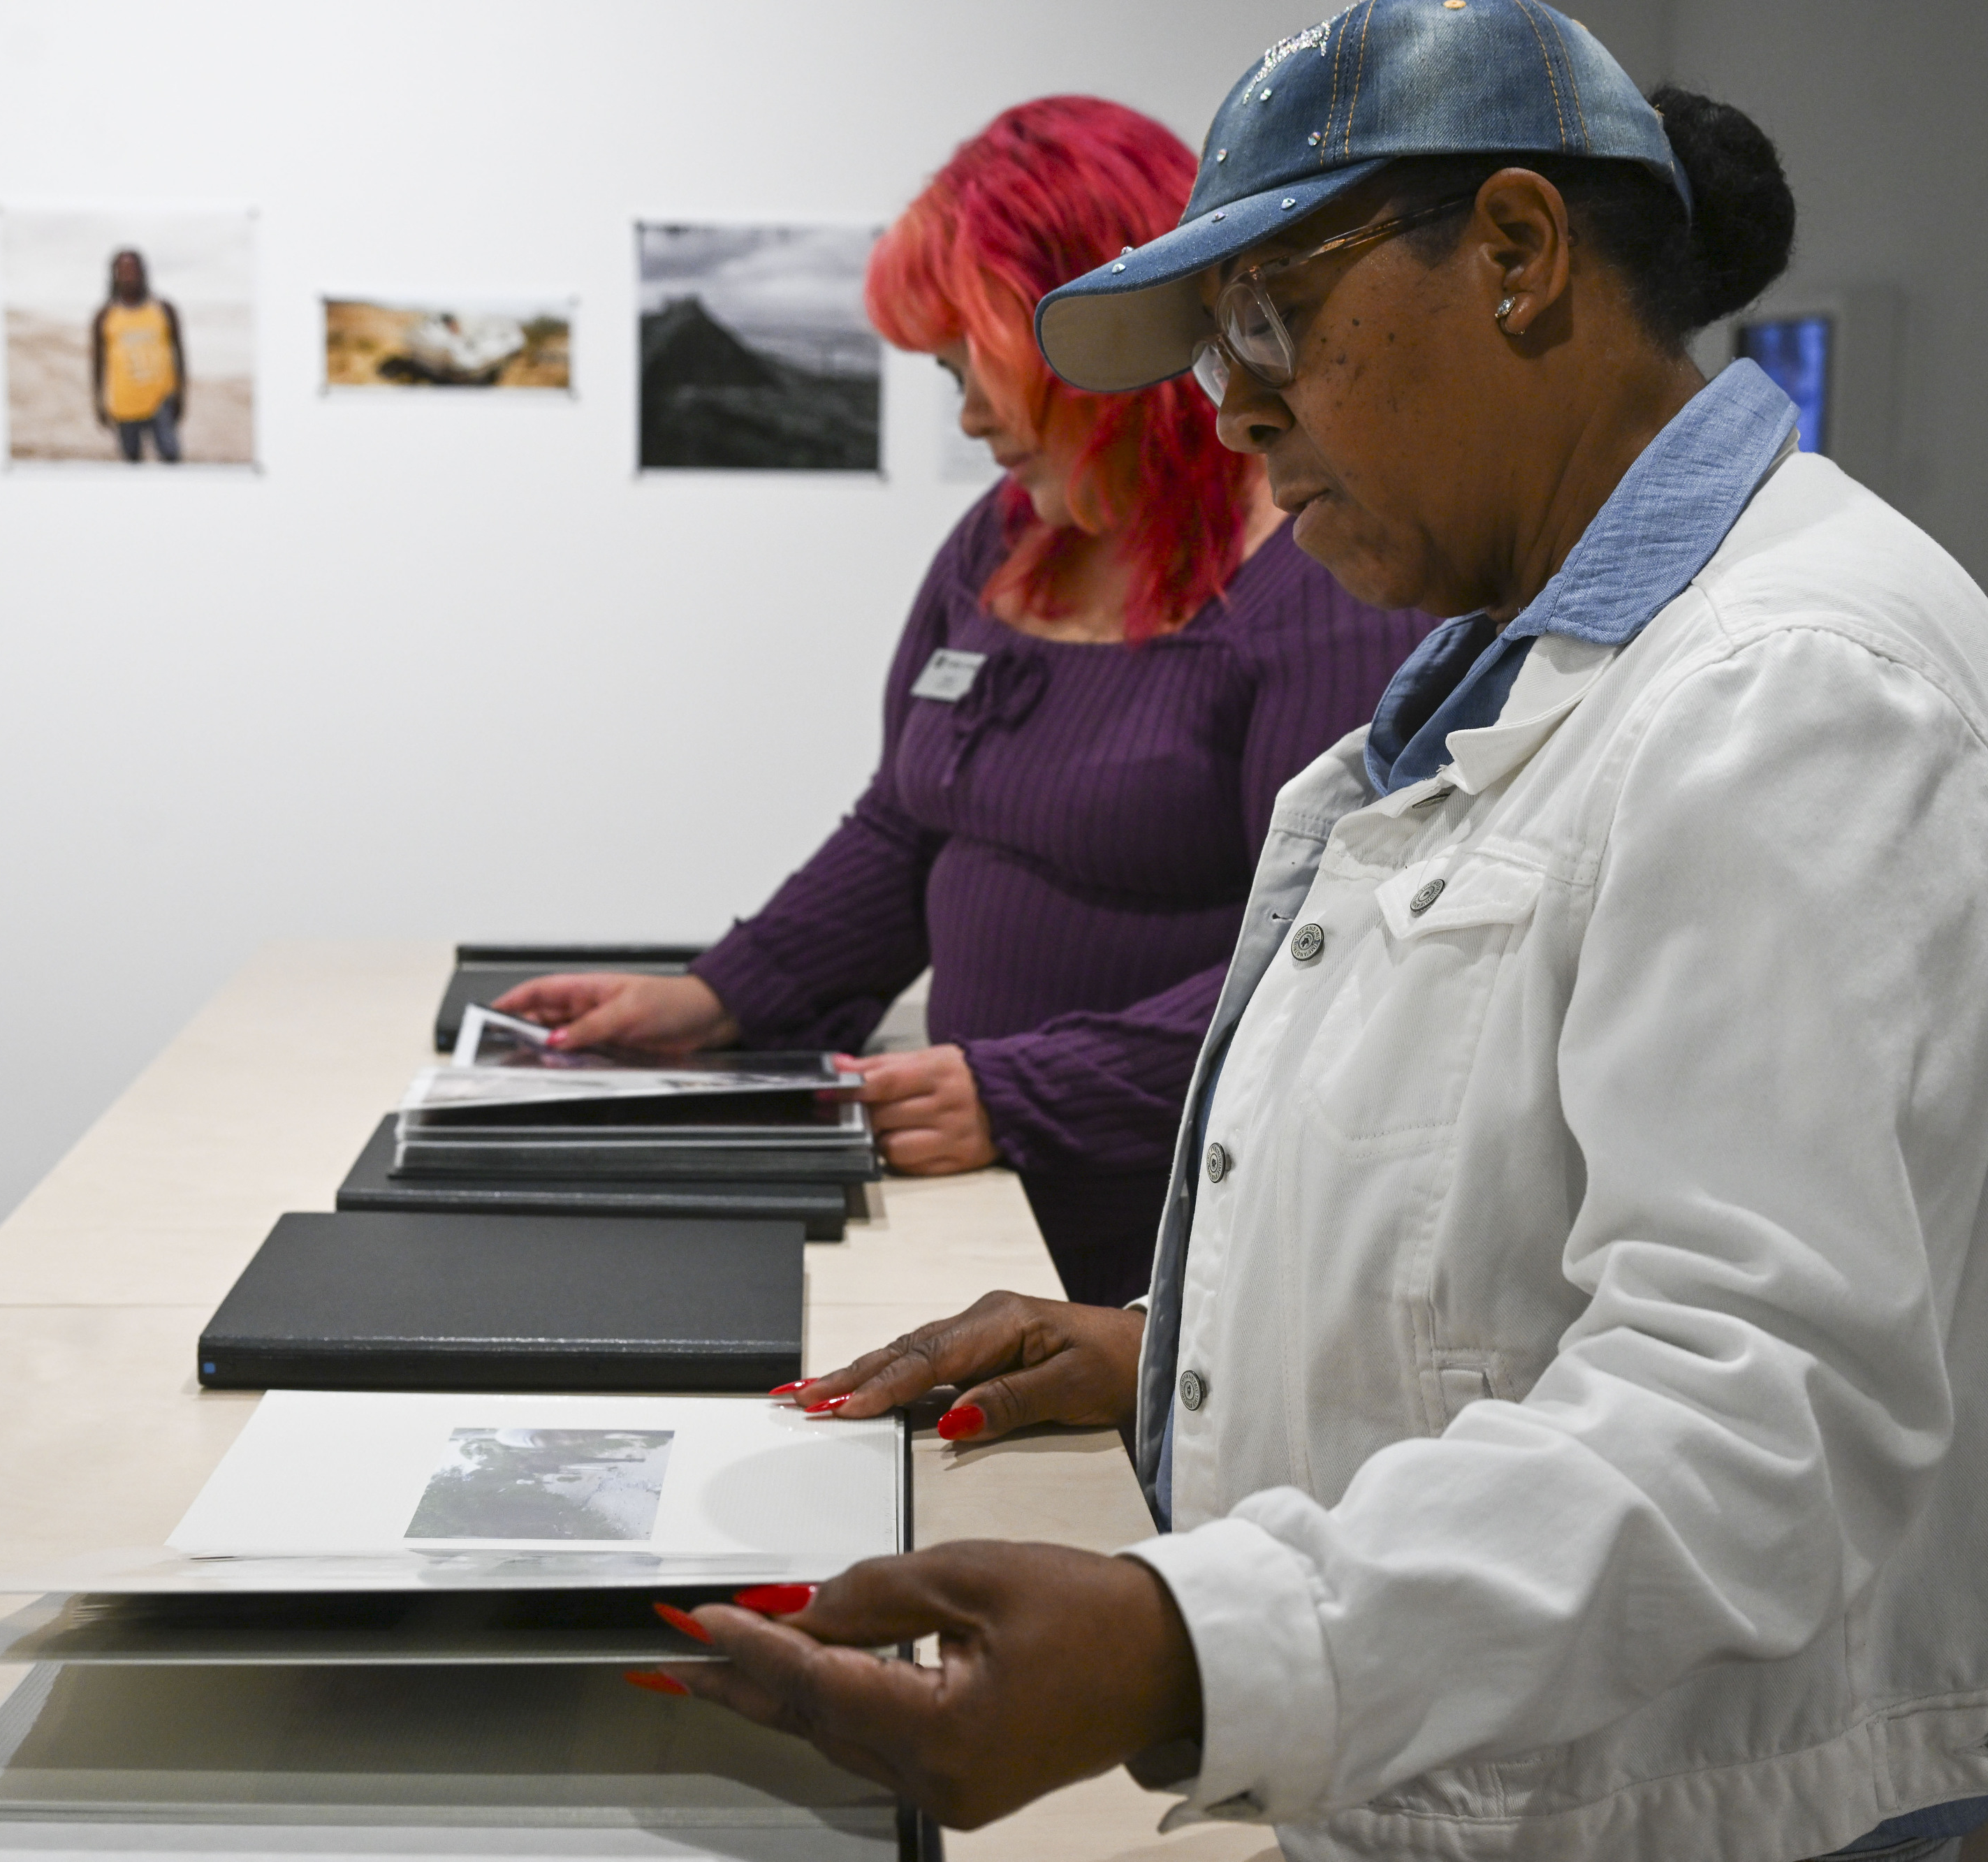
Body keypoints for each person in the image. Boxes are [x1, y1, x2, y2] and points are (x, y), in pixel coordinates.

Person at [631, 9, 1988, 1862]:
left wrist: (1187, 1647)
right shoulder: (1531, 652)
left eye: (1269, 321)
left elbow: (1757, 1429)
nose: (1232, 407)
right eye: (1208, 354)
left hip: (1698, 1803)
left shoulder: (1797, 698)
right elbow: (1496, 1188)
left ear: (1515, 254)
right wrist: (1174, 1342)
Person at [499, 97, 1435, 1306]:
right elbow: (908, 821)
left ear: (1111, 334)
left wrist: (1024, 1093)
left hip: (1174, 1245)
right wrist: (720, 991)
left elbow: (1332, 964)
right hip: (986, 1201)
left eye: (972, 365)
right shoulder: (1000, 542)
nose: (971, 415)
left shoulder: (1318, 586)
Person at [92, 248, 185, 464]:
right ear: (114, 275)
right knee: (132, 460)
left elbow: (179, 355)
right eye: (123, 270)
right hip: (125, 403)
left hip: (162, 399)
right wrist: (98, 401)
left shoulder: (164, 309)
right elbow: (98, 363)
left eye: (133, 269)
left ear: (144, 272)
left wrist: (181, 395)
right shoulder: (105, 315)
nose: (129, 275)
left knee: (171, 456)